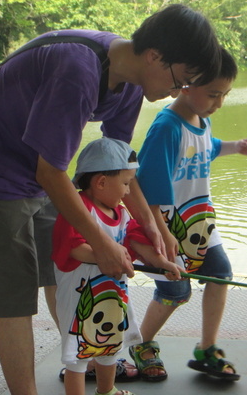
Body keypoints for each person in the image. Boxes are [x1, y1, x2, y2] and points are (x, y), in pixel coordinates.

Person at [0, 4, 222, 395]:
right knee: (13, 296)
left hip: (39, 166)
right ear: (155, 57)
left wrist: (155, 229)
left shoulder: (129, 83)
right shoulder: (78, 70)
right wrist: (104, 242)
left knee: (64, 267)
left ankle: (87, 356)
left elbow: (123, 165)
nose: (178, 93)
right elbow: (52, 172)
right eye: (181, 80)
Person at [132, 49, 247, 382]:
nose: (219, 102)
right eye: (213, 94)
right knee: (176, 292)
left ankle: (207, 348)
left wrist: (236, 146)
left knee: (220, 272)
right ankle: (141, 344)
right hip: (165, 225)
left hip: (199, 223)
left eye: (224, 95)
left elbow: (207, 146)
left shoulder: (201, 118)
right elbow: (146, 187)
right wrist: (162, 233)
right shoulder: (166, 127)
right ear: (185, 85)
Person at [52, 137, 182, 395]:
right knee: (77, 358)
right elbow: (75, 248)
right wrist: (108, 254)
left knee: (110, 347)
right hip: (81, 302)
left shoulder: (120, 214)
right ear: (101, 182)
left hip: (114, 298)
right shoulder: (78, 210)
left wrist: (162, 262)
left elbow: (137, 241)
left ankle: (106, 390)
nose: (127, 191)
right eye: (125, 183)